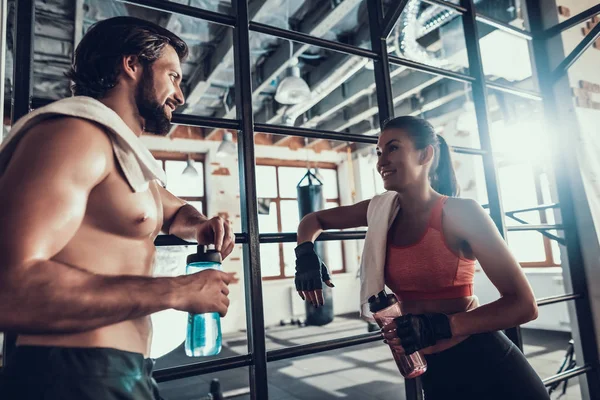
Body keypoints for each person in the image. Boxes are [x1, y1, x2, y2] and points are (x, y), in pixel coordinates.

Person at [0, 17, 237, 400]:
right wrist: (177, 291)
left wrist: (201, 226)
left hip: (123, 372)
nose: (180, 95)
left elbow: (171, 211)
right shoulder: (74, 135)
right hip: (72, 377)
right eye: (173, 77)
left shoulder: (120, 153)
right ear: (131, 65)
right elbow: (9, 288)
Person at [293, 116, 550, 399]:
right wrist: (305, 253)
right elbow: (314, 218)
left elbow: (524, 305)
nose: (381, 162)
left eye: (393, 148)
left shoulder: (460, 212)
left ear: (425, 154)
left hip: (488, 364)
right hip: (434, 369)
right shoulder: (381, 211)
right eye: (378, 152)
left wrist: (443, 325)